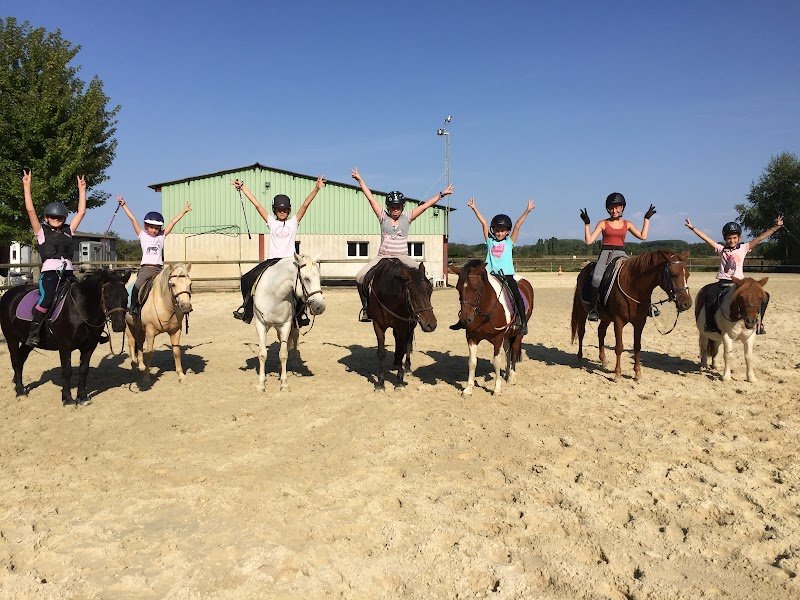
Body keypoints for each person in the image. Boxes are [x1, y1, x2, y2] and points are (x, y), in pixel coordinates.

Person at [351, 167, 453, 322]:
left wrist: (441, 195)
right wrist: (360, 180)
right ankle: (366, 309)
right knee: (359, 277)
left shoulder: (408, 217)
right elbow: (371, 198)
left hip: (403, 256)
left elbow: (425, 206)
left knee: (423, 279)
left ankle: (420, 308)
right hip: (383, 256)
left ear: (402, 207)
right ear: (388, 207)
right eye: (393, 207)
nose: (395, 210)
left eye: (398, 207)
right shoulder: (382, 216)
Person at [232, 176, 325, 324]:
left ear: (289, 210)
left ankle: (301, 316)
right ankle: (247, 310)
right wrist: (243, 189)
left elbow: (305, 205)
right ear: (275, 210)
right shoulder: (271, 222)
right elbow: (257, 205)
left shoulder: (294, 222)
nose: (282, 212)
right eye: (279, 209)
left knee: (301, 287)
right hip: (272, 261)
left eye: (285, 209)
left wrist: (316, 189)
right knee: (246, 278)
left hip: (290, 262)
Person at [450, 197, 535, 335]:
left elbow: (518, 225)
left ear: (507, 231)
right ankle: (462, 320)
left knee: (516, 295)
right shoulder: (489, 241)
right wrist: (474, 208)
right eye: (496, 230)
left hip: (506, 275)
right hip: (489, 274)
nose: (499, 233)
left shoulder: (509, 242)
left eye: (502, 230)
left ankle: (523, 322)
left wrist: (527, 211)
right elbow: (483, 223)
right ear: (493, 230)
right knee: (469, 293)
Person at [685, 215, 783, 334]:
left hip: (740, 284)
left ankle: (759, 323)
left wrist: (775, 228)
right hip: (723, 282)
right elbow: (706, 239)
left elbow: (760, 238)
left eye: (734, 238)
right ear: (725, 239)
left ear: (739, 237)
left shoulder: (744, 248)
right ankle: (710, 324)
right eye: (729, 238)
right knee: (710, 295)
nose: (732, 241)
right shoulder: (721, 249)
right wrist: (693, 228)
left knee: (765, 295)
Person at [22, 169, 86, 347]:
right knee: (48, 298)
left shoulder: (68, 231)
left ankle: (89, 331)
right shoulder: (41, 232)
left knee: (84, 297)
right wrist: (26, 186)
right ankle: (33, 333)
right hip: (50, 274)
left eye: (59, 217)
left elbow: (81, 212)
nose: (55, 219)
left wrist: (82, 190)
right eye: (52, 216)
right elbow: (30, 209)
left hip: (69, 273)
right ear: (46, 218)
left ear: (64, 218)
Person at [581, 193, 656, 321]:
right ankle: (593, 309)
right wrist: (587, 224)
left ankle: (646, 306)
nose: (614, 210)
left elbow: (643, 236)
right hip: (606, 254)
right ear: (608, 209)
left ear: (622, 208)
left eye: (617, 207)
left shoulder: (627, 224)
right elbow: (589, 241)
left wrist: (646, 219)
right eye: (612, 208)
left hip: (621, 253)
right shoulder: (603, 223)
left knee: (638, 275)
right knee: (597, 277)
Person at [118, 196, 191, 316]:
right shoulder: (142, 235)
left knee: (172, 286)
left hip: (159, 269)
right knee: (137, 285)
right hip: (146, 269)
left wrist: (183, 211)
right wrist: (124, 205)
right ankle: (134, 306)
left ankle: (176, 307)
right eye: (152, 228)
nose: (155, 230)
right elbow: (133, 219)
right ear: (146, 227)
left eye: (157, 228)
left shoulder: (161, 237)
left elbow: (172, 222)